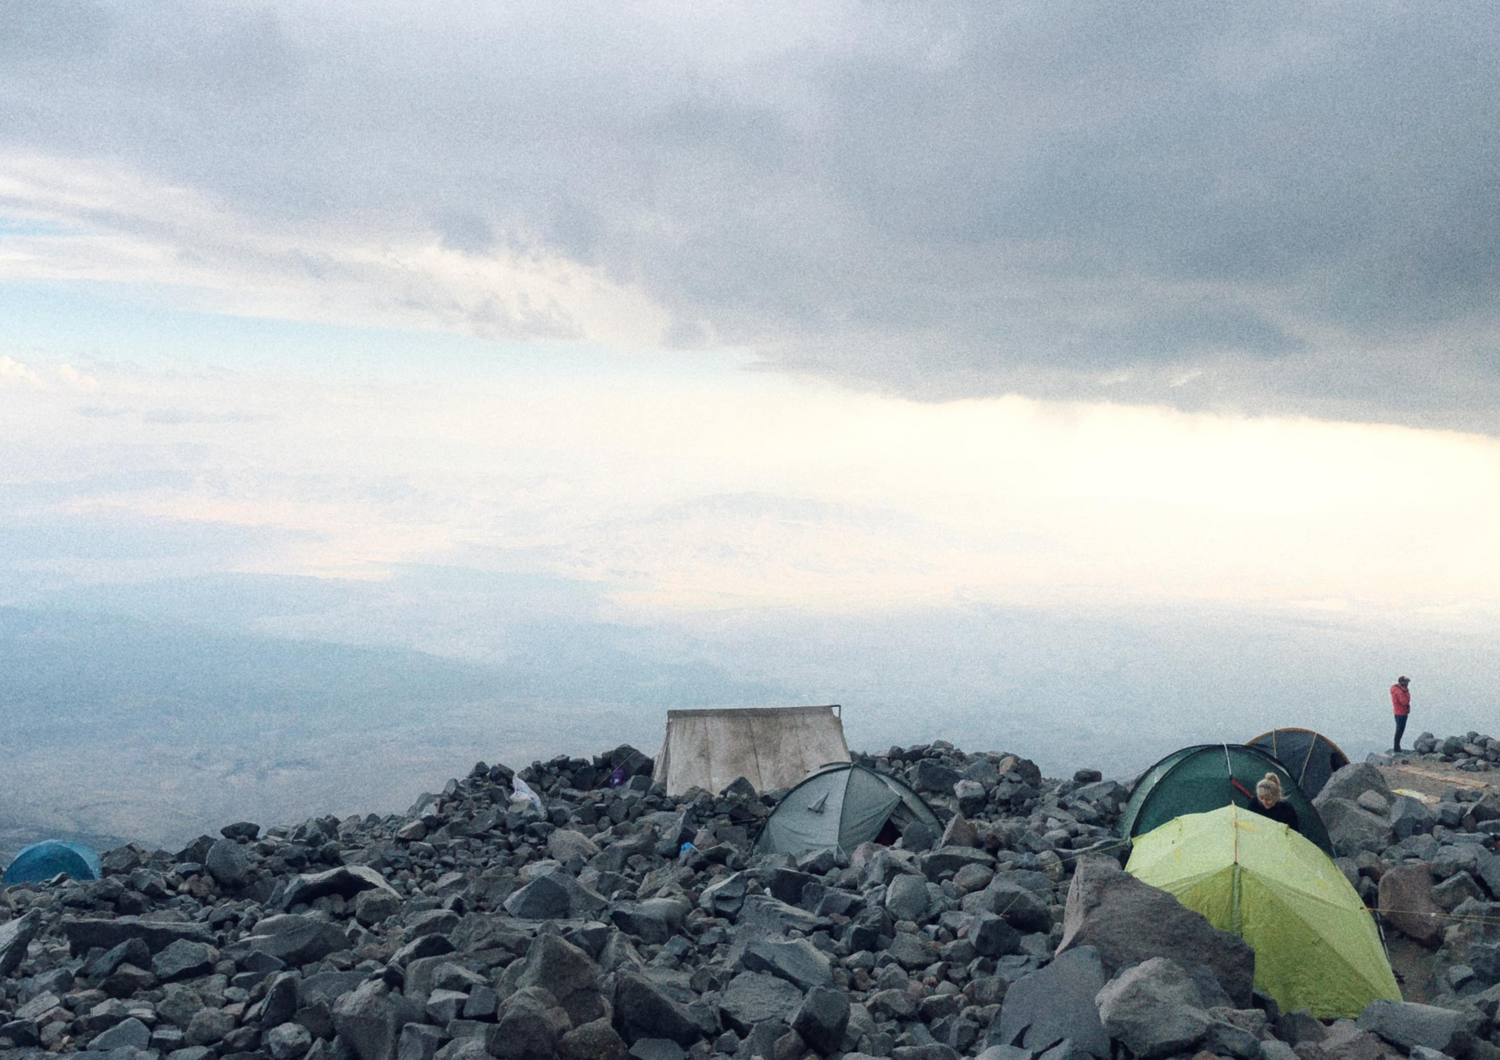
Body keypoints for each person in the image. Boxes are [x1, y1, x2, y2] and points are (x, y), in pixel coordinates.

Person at [1391, 675, 1411, 753]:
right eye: (1406, 682)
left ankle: (1397, 747)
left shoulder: (1397, 689)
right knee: (1399, 731)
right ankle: (1396, 748)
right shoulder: (1399, 691)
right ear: (1402, 682)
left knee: (1399, 730)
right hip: (1401, 713)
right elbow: (1404, 702)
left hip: (1398, 712)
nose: (1407, 683)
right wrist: (1406, 691)